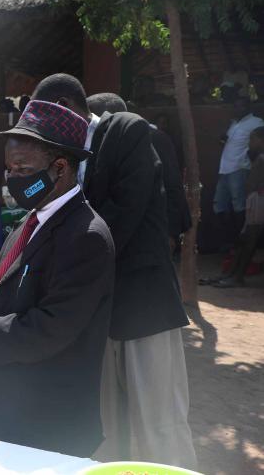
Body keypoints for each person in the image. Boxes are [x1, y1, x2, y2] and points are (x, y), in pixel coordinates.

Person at [32, 73, 196, 469]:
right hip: (97, 312)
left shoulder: (125, 131)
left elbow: (122, 215)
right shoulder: (62, 160)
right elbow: (41, 212)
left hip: (143, 308)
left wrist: (67, 263)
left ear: (67, 109)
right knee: (106, 427)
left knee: (159, 424)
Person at [0, 100, 114, 457]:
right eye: (9, 169)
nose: (13, 179)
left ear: (61, 167)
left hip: (48, 424)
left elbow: (51, 327)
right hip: (5, 411)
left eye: (22, 169)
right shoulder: (27, 222)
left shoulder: (86, 235)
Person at [88, 93, 191, 251]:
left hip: (154, 231)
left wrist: (171, 232)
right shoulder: (107, 143)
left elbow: (172, 185)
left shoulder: (155, 139)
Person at [212, 127, 264, 288]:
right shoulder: (257, 157)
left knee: (249, 239)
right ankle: (232, 274)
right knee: (245, 239)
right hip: (254, 199)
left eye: (253, 139)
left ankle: (237, 276)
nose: (250, 143)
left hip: (258, 199)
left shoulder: (262, 158)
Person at [214, 96, 264, 249]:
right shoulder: (234, 123)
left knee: (239, 205)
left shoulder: (257, 122)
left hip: (239, 168)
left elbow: (259, 144)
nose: (237, 109)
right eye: (235, 106)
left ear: (248, 107)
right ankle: (231, 238)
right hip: (225, 169)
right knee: (219, 205)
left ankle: (240, 241)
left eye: (241, 106)